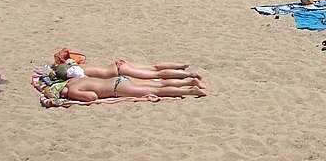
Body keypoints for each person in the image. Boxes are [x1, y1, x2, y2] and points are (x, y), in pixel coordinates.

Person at [45, 73, 206, 102]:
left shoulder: (72, 90)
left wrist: (71, 97)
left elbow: (92, 97)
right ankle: (190, 82)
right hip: (118, 79)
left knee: (158, 90)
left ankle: (190, 90)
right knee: (158, 84)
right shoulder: (74, 81)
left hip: (117, 89)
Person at [53, 58, 201, 81]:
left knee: (156, 74)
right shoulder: (77, 65)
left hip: (119, 72)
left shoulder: (78, 74)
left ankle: (189, 74)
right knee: (153, 67)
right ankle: (180, 66)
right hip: (118, 64)